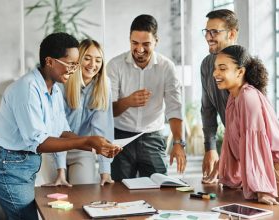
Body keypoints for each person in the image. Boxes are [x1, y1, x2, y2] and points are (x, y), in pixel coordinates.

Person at [0, 33, 122, 220]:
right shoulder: (28, 89)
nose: (74, 69)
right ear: (50, 61)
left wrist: (97, 146)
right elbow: (40, 143)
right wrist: (88, 140)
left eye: (76, 64)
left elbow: (62, 131)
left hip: (18, 165)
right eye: (70, 64)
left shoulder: (52, 89)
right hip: (5, 164)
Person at [215, 45, 279, 216]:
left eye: (222, 68)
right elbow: (231, 142)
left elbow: (256, 145)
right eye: (215, 68)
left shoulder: (248, 96)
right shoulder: (233, 98)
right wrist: (229, 178)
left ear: (240, 72)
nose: (216, 74)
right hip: (270, 174)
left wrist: (261, 188)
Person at [107, 14, 186, 181]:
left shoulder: (167, 67)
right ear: (129, 39)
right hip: (121, 137)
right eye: (134, 43)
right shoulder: (115, 65)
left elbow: (174, 107)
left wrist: (178, 143)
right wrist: (128, 101)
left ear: (156, 41)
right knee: (120, 192)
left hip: (153, 137)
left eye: (146, 44)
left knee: (159, 189)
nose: (140, 49)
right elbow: (109, 110)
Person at [41, 39, 115, 186]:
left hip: (82, 150)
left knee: (84, 193)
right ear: (77, 60)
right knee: (57, 196)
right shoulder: (62, 82)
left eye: (98, 60)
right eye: (87, 58)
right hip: (54, 150)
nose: (93, 65)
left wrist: (105, 171)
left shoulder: (103, 85)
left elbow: (102, 130)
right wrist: (60, 171)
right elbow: (57, 130)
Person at [200, 9, 239, 184]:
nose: (208, 36)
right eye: (207, 31)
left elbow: (251, 127)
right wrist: (210, 148)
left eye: (215, 31)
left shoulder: (245, 66)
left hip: (254, 152)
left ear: (231, 34)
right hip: (233, 149)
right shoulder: (207, 64)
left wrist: (226, 157)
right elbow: (207, 109)